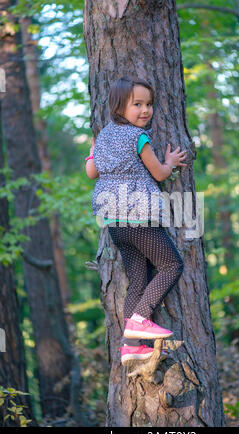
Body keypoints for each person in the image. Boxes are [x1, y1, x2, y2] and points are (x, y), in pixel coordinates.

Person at [85, 76, 187, 365]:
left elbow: (92, 172)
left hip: (115, 223)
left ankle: (131, 346)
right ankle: (140, 321)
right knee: (171, 264)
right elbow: (159, 174)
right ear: (120, 107)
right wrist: (170, 162)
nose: (145, 110)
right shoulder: (138, 137)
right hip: (138, 215)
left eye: (149, 104)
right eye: (137, 104)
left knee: (138, 278)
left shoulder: (104, 135)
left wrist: (91, 152)